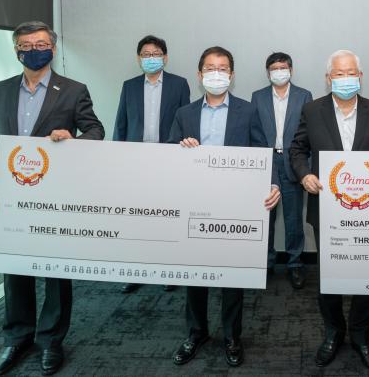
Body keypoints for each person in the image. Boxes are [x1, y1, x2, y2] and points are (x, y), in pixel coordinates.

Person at [0, 21, 105, 376]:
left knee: (56, 270)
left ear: (54, 48)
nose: (35, 50)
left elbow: (96, 130)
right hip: (12, 194)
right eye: (27, 45)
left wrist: (74, 140)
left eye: (42, 44)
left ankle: (51, 340)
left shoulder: (74, 90)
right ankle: (16, 338)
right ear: (17, 50)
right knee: (16, 268)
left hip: (55, 195)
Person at [168, 46, 281, 368]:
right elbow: (168, 153)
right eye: (209, 68)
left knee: (233, 275)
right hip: (195, 203)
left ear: (231, 75)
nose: (216, 73)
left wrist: (273, 184)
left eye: (222, 68)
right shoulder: (185, 114)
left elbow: (264, 151)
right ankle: (196, 332)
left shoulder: (248, 111)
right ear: (199, 74)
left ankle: (232, 336)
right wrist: (180, 148)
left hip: (235, 204)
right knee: (195, 273)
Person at [289, 49, 369, 373]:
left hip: (368, 209)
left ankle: (362, 334)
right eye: (339, 73)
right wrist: (304, 175)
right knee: (329, 275)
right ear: (328, 78)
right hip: (327, 207)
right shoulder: (312, 110)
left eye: (351, 73)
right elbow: (297, 149)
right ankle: (333, 332)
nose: (345, 78)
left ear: (360, 77)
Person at [113, 34, 190, 294]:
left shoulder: (179, 84)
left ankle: (169, 270)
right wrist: (117, 159)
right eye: (146, 54)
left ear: (165, 58)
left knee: (169, 216)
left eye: (156, 54)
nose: (151, 58)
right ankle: (137, 270)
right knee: (137, 217)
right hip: (136, 159)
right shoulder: (129, 86)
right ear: (139, 59)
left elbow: (186, 122)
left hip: (169, 158)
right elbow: (121, 124)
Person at [251, 52, 313, 288]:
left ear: (291, 70)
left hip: (293, 161)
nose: (279, 72)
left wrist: (306, 166)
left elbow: (308, 133)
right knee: (265, 216)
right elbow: (254, 131)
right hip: (266, 162)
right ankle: (266, 262)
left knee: (293, 218)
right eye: (274, 69)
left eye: (283, 68)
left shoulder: (304, 95)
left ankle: (295, 264)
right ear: (268, 73)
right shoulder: (257, 97)